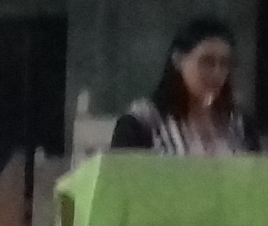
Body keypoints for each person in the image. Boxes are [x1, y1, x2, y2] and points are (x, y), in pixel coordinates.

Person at [110, 16, 258, 157]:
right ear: (178, 60)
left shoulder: (239, 125)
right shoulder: (142, 123)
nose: (217, 73)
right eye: (207, 62)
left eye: (224, 64)